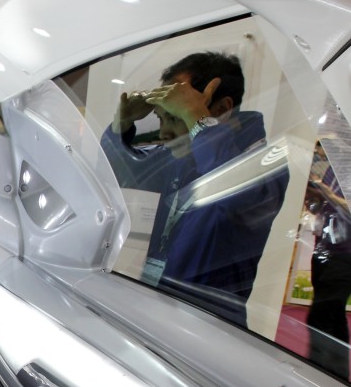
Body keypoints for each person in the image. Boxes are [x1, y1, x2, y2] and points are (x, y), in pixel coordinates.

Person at [101, 51, 289, 328]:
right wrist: (122, 125)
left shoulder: (263, 162)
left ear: (221, 108)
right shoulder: (182, 156)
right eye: (161, 118)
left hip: (204, 326)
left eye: (175, 118)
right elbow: (117, 176)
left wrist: (199, 122)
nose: (164, 133)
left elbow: (235, 195)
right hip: (154, 308)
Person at [303, 150, 351, 380]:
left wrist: (326, 193)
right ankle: (335, 377)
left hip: (344, 253)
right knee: (332, 316)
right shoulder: (339, 158)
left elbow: (344, 204)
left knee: (322, 317)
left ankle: (322, 379)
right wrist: (316, 199)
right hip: (327, 247)